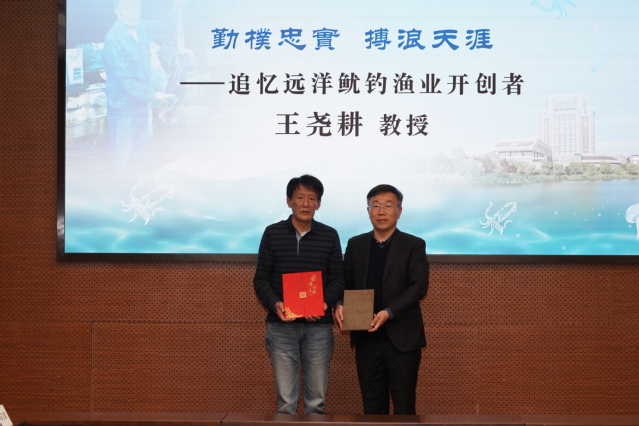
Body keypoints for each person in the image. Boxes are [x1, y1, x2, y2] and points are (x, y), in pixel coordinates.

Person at [254, 175, 344, 414]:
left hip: (319, 328)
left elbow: (338, 280)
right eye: (300, 197)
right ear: (289, 201)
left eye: (311, 198)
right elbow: (261, 280)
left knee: (316, 403)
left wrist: (322, 303)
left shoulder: (330, 235)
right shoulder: (272, 233)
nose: (306, 204)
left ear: (319, 203)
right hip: (281, 327)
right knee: (286, 404)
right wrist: (276, 304)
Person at [335, 184, 429, 415]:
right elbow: (345, 283)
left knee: (404, 406)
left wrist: (389, 311)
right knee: (372, 407)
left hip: (402, 338)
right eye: (375, 206)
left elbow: (418, 286)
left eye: (388, 205)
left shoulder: (414, 244)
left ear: (399, 211)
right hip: (366, 338)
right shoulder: (355, 244)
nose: (381, 211)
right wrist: (340, 303)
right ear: (368, 211)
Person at [102, 0, 175, 171]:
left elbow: (164, 25)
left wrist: (176, 8)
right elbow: (126, 81)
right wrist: (154, 95)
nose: (133, 13)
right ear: (117, 11)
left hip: (141, 105)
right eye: (127, 8)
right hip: (123, 110)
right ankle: (118, 186)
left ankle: (136, 186)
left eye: (137, 7)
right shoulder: (114, 39)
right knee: (121, 158)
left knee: (138, 156)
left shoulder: (140, 28)